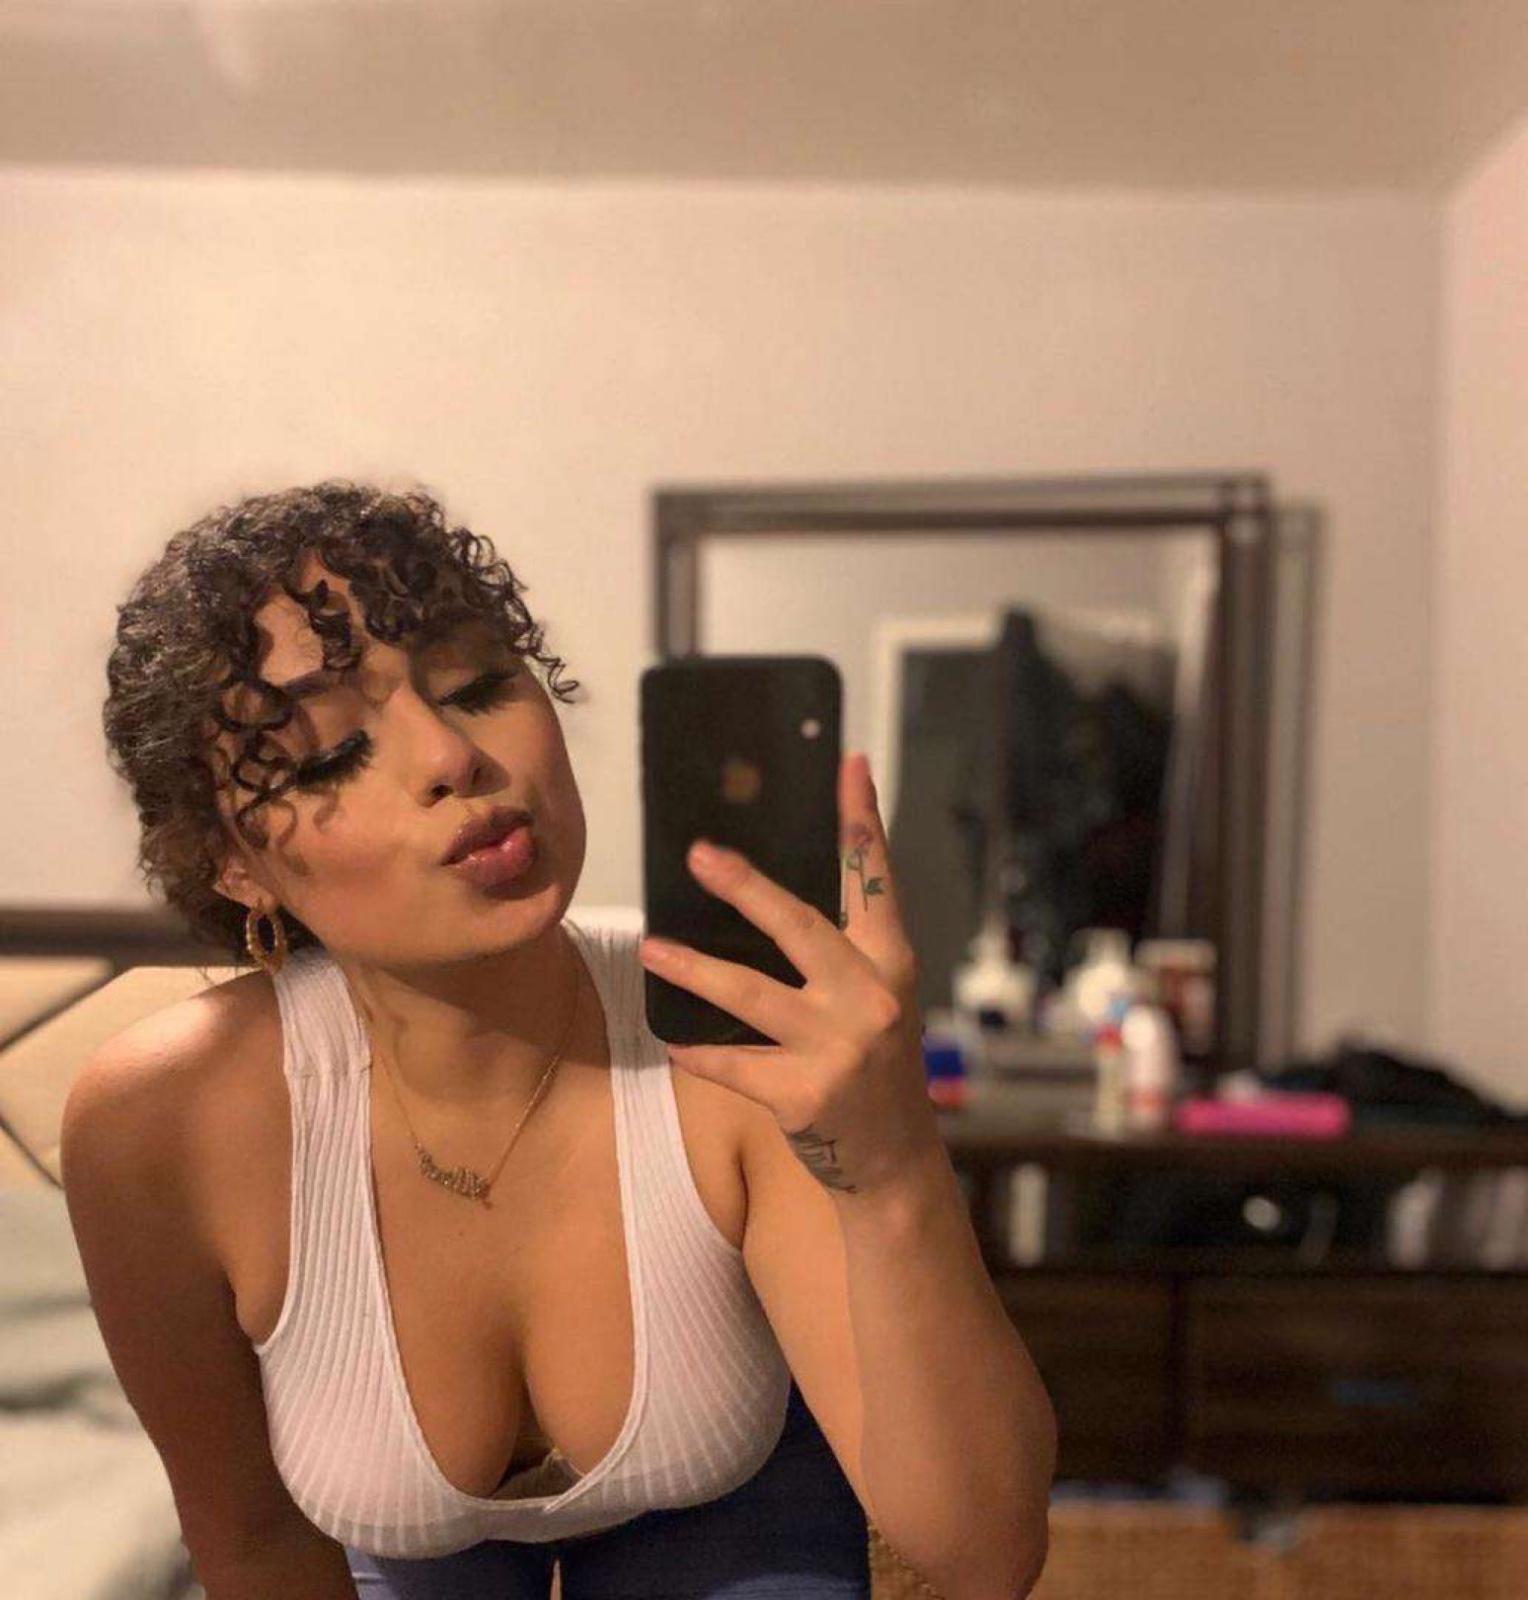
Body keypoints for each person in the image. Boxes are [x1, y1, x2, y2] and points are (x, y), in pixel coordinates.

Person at [61, 481, 1056, 1600]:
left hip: (741, 1509)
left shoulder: (733, 1035)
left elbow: (984, 1557)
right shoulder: (161, 1124)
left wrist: (892, 1162)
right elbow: (252, 1544)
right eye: (333, 753)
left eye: (477, 685)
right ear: (232, 864)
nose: (450, 756)